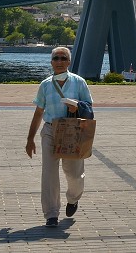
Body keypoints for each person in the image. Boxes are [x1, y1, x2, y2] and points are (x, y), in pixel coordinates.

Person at [25, 46, 94, 228]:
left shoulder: (79, 82)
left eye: (63, 58)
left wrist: (77, 106)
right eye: (56, 58)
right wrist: (30, 138)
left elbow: (89, 107)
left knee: (74, 173)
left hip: (73, 132)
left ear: (69, 62)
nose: (59, 61)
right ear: (51, 62)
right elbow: (39, 111)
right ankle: (51, 214)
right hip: (51, 130)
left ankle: (73, 198)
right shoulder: (46, 85)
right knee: (49, 174)